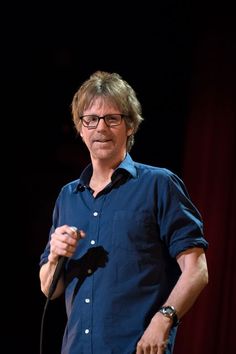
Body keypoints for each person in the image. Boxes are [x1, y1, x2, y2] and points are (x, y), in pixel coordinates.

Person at [39, 70, 209, 354]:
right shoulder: (68, 196)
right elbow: (50, 290)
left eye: (112, 119)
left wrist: (163, 320)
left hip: (135, 348)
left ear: (129, 126)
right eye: (90, 120)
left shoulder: (158, 184)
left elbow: (197, 270)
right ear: (80, 128)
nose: (100, 128)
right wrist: (56, 255)